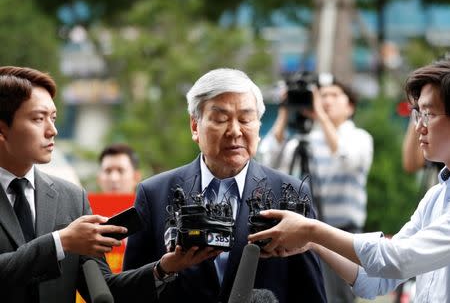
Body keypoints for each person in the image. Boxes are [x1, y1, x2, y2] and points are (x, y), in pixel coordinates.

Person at [0, 66, 218, 303]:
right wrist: (60, 242)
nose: (52, 130)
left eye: (53, 118)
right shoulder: (67, 232)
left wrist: (164, 268)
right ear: (2, 128)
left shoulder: (71, 197)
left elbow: (105, 289)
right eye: (38, 119)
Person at [248, 58, 450, 302]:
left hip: (345, 230)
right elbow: (373, 280)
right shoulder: (435, 196)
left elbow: (396, 259)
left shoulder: (357, 138)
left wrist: (311, 229)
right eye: (418, 114)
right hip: (337, 238)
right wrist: (312, 240)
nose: (419, 127)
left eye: (428, 114)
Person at [123, 68, 327, 303]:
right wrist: (163, 269)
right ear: (194, 127)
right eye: (220, 119)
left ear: (259, 127)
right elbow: (130, 288)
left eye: (245, 119)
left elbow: (310, 293)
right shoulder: (155, 194)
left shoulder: (289, 194)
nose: (235, 131)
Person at [258, 76, 373, 302]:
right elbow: (268, 161)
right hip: (303, 234)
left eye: (333, 95)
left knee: (339, 297)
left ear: (350, 106)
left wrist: (320, 115)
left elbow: (346, 158)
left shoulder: (359, 138)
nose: (326, 101)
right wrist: (284, 111)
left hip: (343, 233)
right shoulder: (305, 140)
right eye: (322, 96)